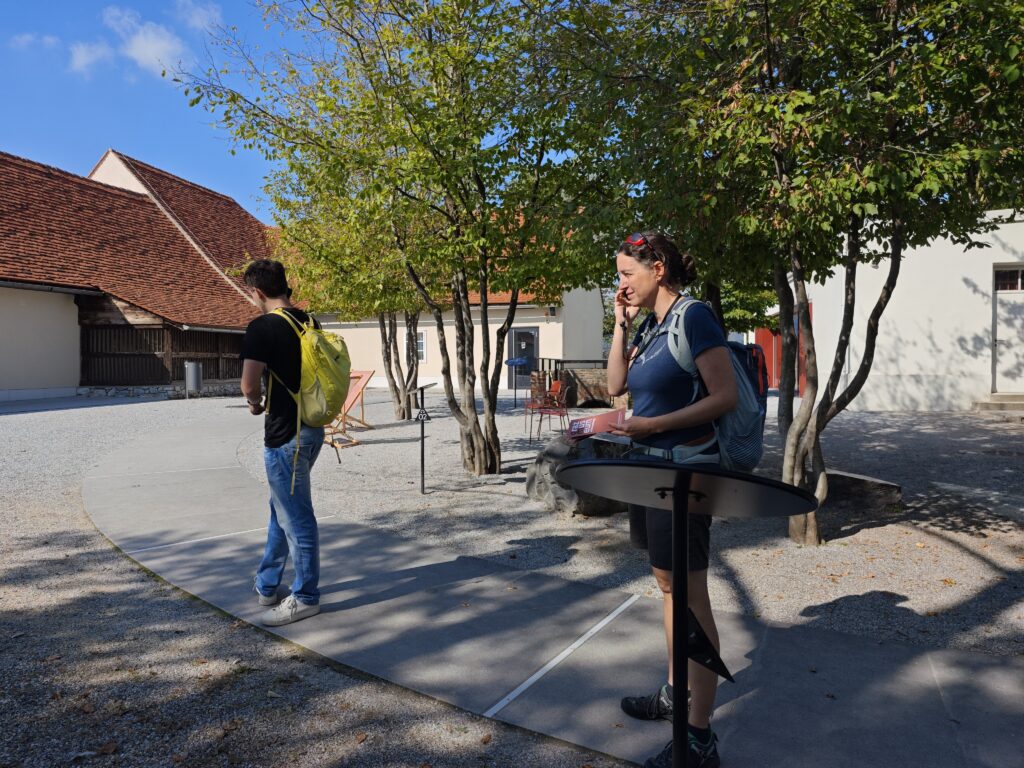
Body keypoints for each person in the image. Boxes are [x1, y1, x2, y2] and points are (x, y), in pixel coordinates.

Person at [606, 232, 737, 768]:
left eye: (626, 274)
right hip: (649, 473)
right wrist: (620, 326)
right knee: (666, 586)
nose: (620, 285)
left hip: (685, 477)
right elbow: (616, 386)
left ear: (657, 269)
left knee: (690, 596)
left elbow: (724, 396)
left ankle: (700, 736)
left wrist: (653, 424)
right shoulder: (653, 326)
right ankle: (674, 690)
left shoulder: (694, 317)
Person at [240, 259, 326, 627]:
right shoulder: (309, 321)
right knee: (282, 509)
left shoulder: (261, 327)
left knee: (297, 517)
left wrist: (255, 403)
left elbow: (248, 384)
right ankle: (267, 583)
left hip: (283, 435)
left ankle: (305, 596)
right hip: (311, 428)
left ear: (258, 292)